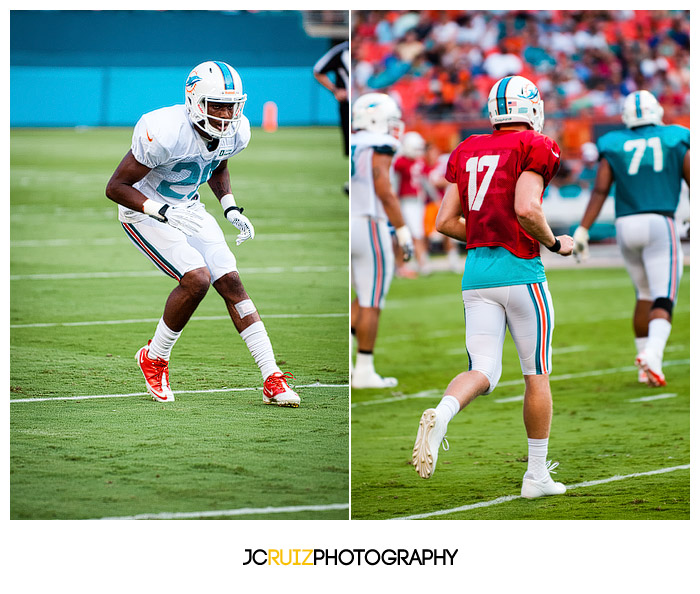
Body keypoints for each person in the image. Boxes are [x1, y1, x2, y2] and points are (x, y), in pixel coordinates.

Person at [411, 76, 573, 499]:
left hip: (476, 276)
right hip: (521, 273)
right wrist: (555, 243)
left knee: (484, 368)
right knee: (536, 375)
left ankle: (443, 412)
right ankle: (536, 475)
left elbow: (445, 222)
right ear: (531, 108)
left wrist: (486, 232)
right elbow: (526, 208)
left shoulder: (466, 148)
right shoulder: (537, 145)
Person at [105, 60, 300, 407]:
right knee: (197, 278)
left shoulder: (236, 131)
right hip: (145, 211)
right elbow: (116, 186)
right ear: (195, 101)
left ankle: (272, 376)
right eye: (218, 105)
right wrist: (163, 211)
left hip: (190, 208)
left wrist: (229, 206)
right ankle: (155, 358)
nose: (226, 115)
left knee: (231, 281)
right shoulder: (164, 129)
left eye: (232, 106)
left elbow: (217, 163)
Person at [573, 90, 690, 387]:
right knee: (664, 296)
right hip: (660, 222)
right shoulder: (676, 136)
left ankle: (643, 366)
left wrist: (583, 229)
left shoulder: (614, 142)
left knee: (644, 294)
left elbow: (600, 189)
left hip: (625, 225)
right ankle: (653, 354)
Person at [350, 92, 414, 389]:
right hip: (369, 223)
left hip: (349, 224)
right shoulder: (379, 143)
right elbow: (384, 188)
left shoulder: (351, 143)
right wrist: (401, 229)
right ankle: (363, 370)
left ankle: (353, 364)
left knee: (360, 297)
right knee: (371, 300)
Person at [393, 131, 430, 276]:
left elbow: (425, 181)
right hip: (405, 201)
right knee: (410, 234)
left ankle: (404, 265)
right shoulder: (400, 162)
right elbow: (395, 183)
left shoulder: (419, 161)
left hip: (418, 201)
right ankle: (421, 263)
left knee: (415, 233)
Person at [313, 40, 350, 158]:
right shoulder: (341, 51)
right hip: (348, 104)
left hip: (364, 104)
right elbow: (318, 70)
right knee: (349, 147)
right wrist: (335, 90)